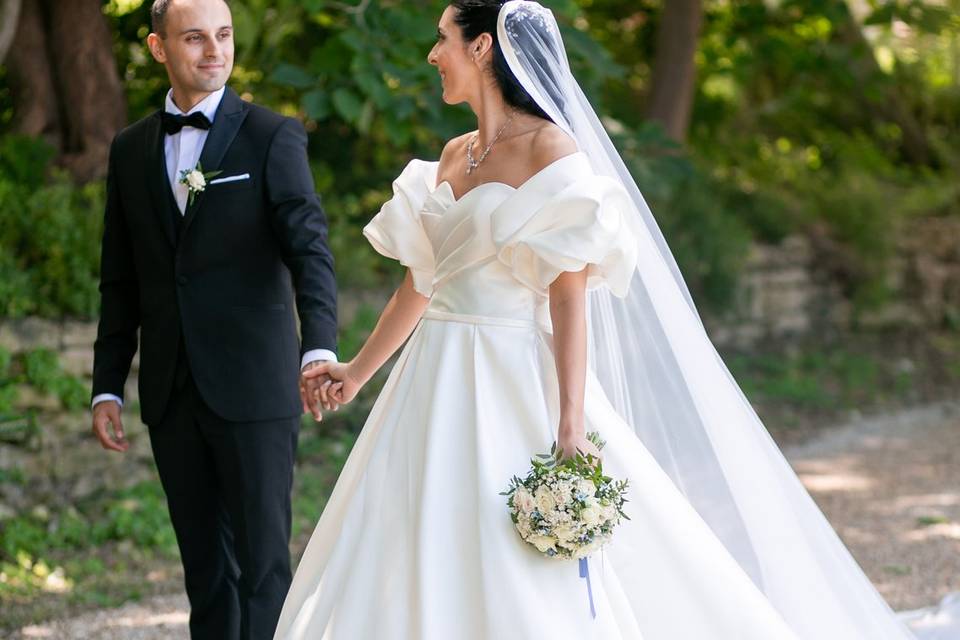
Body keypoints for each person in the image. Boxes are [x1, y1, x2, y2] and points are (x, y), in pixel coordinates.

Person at [276, 1, 916, 638]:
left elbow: (568, 296)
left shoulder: (552, 151)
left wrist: (570, 424)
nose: (432, 54)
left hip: (508, 379)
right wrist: (358, 374)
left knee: (506, 545)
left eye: (442, 38)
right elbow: (420, 283)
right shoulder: (450, 157)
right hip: (428, 381)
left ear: (481, 48)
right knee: (413, 528)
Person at [89, 0, 338, 637]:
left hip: (255, 386)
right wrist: (108, 383)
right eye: (195, 38)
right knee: (204, 571)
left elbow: (308, 250)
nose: (215, 51)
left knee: (262, 569)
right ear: (157, 48)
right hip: (172, 390)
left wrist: (318, 347)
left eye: (223, 36)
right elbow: (120, 279)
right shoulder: (130, 149)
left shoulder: (270, 135)